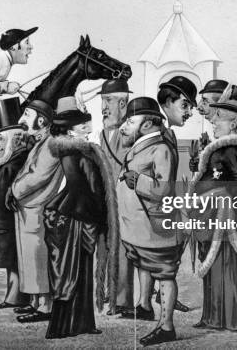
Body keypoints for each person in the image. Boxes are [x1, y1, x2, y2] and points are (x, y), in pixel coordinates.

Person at [188, 84, 237, 332]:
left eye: (219, 117)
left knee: (226, 266)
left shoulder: (230, 147)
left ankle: (230, 318)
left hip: (224, 216)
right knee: (215, 265)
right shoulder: (222, 146)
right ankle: (215, 317)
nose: (214, 121)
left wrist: (219, 198)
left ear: (233, 124)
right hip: (212, 214)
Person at [44, 97, 118, 338]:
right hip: (76, 219)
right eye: (82, 125)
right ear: (68, 129)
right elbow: (81, 188)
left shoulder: (77, 150)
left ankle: (82, 323)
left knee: (82, 272)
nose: (87, 126)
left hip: (78, 215)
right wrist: (98, 216)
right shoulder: (76, 153)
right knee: (73, 273)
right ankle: (66, 326)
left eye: (87, 123)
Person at [117, 97, 181, 346]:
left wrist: (137, 181)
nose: (124, 126)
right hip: (138, 227)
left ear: (146, 125)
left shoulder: (161, 148)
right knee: (144, 264)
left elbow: (164, 188)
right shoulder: (141, 145)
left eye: (130, 121)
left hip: (155, 225)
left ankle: (167, 326)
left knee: (165, 273)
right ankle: (144, 305)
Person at [10, 98, 61, 323]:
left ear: (41, 120)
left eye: (27, 116)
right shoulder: (40, 143)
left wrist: (14, 190)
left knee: (38, 259)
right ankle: (35, 302)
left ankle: (45, 306)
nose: (22, 120)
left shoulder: (50, 145)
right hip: (28, 209)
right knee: (29, 258)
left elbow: (38, 177)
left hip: (37, 209)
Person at [154, 75, 198, 313]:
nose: (190, 112)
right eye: (185, 105)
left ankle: (160, 296)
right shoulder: (156, 129)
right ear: (168, 102)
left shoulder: (168, 132)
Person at [0, 97, 30, 309]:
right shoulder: (16, 160)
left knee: (13, 261)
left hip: (7, 222)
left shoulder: (11, 165)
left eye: (1, 140)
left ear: (14, 140)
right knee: (11, 262)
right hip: (4, 222)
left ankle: (16, 297)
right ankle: (13, 296)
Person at [97, 79, 132, 314]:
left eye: (108, 101)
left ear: (122, 102)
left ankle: (121, 300)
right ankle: (108, 295)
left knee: (121, 251)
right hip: (105, 200)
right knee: (106, 248)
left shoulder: (128, 133)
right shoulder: (103, 133)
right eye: (102, 101)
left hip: (123, 201)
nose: (103, 108)